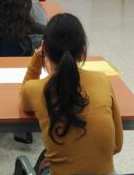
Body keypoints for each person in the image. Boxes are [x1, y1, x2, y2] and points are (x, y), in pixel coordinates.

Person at [20, 13, 122, 175]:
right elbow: (117, 145)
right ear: (83, 50)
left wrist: (37, 57)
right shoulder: (102, 80)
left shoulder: (36, 89)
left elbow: (23, 102)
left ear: (45, 49)